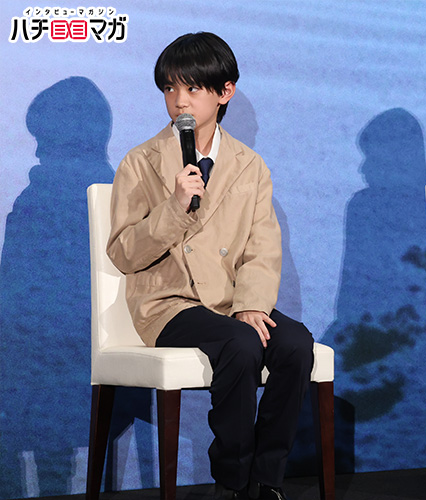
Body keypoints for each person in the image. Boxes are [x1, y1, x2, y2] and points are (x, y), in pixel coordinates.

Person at [107, 32, 313, 500]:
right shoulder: (140, 162)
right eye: (169, 88)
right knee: (241, 343)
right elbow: (122, 253)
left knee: (295, 344)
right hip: (168, 304)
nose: (179, 101)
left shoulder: (250, 165)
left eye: (192, 88)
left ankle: (267, 480)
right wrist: (174, 207)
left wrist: (251, 303)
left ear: (225, 92)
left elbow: (263, 245)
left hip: (228, 301)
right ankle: (232, 483)